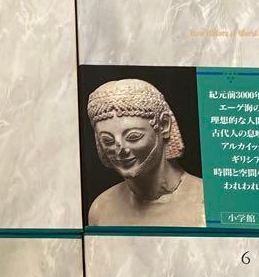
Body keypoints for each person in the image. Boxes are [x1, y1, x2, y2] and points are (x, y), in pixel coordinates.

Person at [86, 78, 205, 227]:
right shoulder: (102, 209)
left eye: (133, 137)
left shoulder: (207, 202)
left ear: (164, 125)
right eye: (108, 140)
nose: (120, 150)